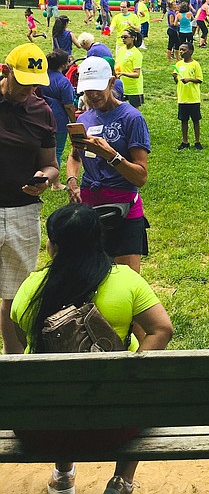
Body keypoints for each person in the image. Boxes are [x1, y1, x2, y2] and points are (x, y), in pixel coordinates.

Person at [9, 203, 173, 494]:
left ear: (52, 246)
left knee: (58, 389)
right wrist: (131, 370)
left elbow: (18, 345)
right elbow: (162, 329)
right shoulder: (125, 280)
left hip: (44, 430)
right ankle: (122, 480)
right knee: (151, 389)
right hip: (113, 428)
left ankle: (63, 476)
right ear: (99, 240)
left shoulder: (29, 289)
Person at [66, 57, 151, 274]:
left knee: (126, 281)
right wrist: (72, 181)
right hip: (89, 206)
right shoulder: (84, 119)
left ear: (111, 83)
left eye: (97, 88)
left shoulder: (132, 118)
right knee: (89, 276)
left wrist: (111, 155)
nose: (92, 95)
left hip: (123, 208)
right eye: (87, 90)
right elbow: (75, 156)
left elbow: (140, 177)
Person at [0, 44, 59, 353]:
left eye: (35, 83)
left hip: (23, 211)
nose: (29, 89)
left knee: (16, 293)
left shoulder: (42, 111)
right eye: (23, 81)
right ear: (5, 71)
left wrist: (45, 179)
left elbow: (51, 165)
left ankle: (11, 364)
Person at [42, 49, 76, 189]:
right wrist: (74, 121)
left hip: (41, 116)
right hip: (58, 119)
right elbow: (68, 105)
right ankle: (55, 183)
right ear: (63, 65)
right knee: (57, 150)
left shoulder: (42, 77)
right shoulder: (63, 81)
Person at [173, 42, 203, 150]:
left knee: (196, 120)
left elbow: (199, 79)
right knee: (183, 120)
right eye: (180, 49)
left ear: (190, 51)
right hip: (182, 98)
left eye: (184, 50)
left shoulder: (195, 64)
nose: (181, 52)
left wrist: (189, 79)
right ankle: (185, 141)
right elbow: (177, 81)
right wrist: (175, 77)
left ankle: (197, 141)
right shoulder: (178, 65)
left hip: (193, 98)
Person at [115, 30, 144, 109]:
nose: (123, 39)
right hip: (122, 86)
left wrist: (123, 73)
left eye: (125, 37)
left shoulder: (136, 54)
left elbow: (136, 74)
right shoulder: (121, 50)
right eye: (122, 37)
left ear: (133, 38)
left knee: (134, 111)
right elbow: (117, 64)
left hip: (133, 89)